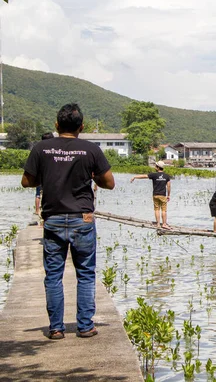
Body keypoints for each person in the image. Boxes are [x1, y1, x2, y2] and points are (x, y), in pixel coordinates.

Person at [21, 103, 115, 340]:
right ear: (81, 127)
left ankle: (55, 328)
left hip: (52, 219)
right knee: (85, 273)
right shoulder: (91, 150)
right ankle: (85, 326)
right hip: (82, 218)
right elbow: (109, 183)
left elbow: (26, 181)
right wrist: (91, 175)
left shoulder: (41, 148)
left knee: (53, 275)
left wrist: (47, 174)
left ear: (56, 125)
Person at [130, 161, 172, 229]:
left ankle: (158, 224)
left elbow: (144, 176)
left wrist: (135, 177)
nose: (155, 167)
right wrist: (169, 195)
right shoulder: (166, 176)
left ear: (158, 167)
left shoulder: (154, 175)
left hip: (155, 195)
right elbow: (169, 186)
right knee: (164, 210)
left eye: (156, 166)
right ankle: (164, 224)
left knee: (156, 209)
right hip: (163, 195)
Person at [34, 132, 55, 217]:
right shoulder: (54, 150)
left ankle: (37, 210)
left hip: (40, 176)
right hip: (51, 176)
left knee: (38, 194)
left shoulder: (39, 150)